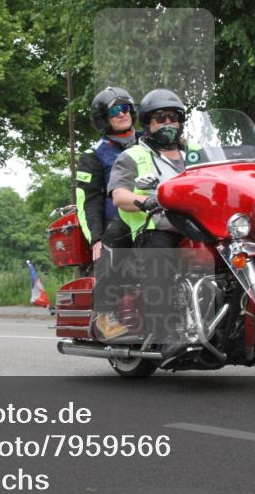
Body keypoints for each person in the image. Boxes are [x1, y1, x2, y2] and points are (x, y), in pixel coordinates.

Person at [99, 88, 194, 345]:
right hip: (156, 227)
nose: (167, 123)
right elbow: (119, 195)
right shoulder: (133, 156)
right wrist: (146, 201)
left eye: (173, 118)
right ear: (148, 124)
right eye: (160, 118)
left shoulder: (195, 155)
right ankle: (166, 335)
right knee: (160, 256)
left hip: (199, 226)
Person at [76, 86, 139, 337]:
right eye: (115, 111)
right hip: (118, 220)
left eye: (125, 108)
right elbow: (87, 201)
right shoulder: (94, 155)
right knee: (110, 251)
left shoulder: (150, 142)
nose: (122, 114)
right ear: (104, 118)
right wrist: (96, 238)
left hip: (155, 216)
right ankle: (106, 315)